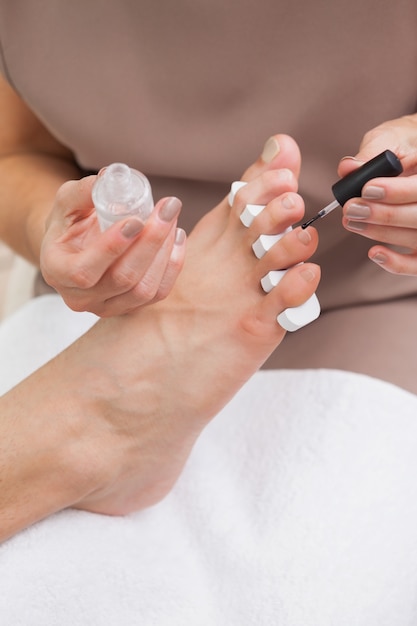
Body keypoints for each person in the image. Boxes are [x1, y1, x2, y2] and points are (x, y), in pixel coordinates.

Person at [0, 0, 417, 541]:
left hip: (373, 289)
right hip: (109, 306)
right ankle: (92, 420)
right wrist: (53, 229)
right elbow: (15, 152)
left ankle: (82, 422)